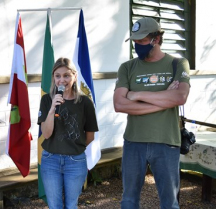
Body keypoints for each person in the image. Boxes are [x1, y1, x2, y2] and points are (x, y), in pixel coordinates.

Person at [113, 17, 191, 209]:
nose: (136, 44)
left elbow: (180, 97)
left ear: (156, 39)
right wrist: (164, 98)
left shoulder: (178, 63)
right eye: (135, 40)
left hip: (166, 142)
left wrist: (136, 94)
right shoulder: (127, 67)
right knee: (129, 200)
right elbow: (119, 104)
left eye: (141, 40)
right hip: (133, 142)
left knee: (170, 202)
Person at [38, 57, 99, 209]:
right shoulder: (47, 100)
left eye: (66, 75)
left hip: (75, 161)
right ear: (53, 77)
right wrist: (52, 109)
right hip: (50, 160)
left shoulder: (85, 103)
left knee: (72, 205)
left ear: (74, 76)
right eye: (57, 76)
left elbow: (90, 136)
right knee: (55, 205)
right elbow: (46, 134)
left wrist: (72, 148)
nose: (62, 80)